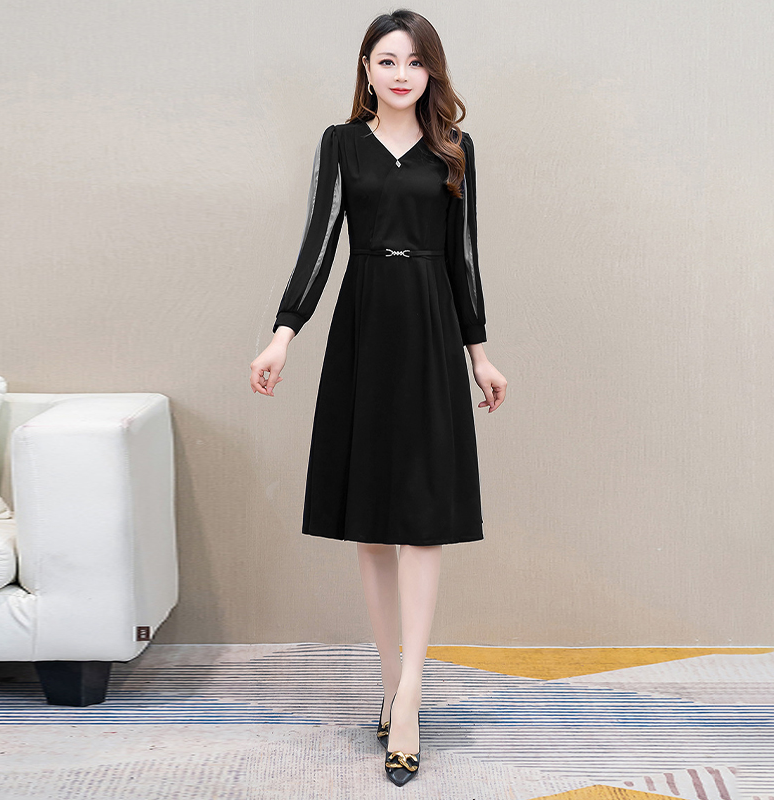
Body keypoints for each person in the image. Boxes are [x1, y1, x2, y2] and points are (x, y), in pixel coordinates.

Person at [250, 8, 507, 786]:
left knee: (422, 520)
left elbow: (464, 257)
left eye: (415, 62)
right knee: (371, 523)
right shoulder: (342, 144)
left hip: (430, 330)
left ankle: (412, 696)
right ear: (366, 68)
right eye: (387, 60)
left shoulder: (454, 149)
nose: (401, 74)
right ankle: (391, 680)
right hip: (363, 332)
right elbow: (319, 242)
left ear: (432, 72)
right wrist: (283, 334)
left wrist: (480, 356)